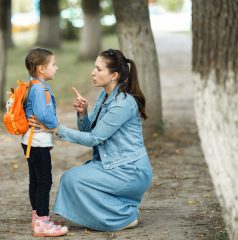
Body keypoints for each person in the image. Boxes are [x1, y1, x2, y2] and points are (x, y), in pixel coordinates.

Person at [29, 48, 153, 231]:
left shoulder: (123, 103)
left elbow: (94, 138)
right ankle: (121, 209)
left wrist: (56, 129)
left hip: (129, 171)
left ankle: (123, 217)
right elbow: (89, 129)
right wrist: (83, 113)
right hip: (111, 164)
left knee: (74, 180)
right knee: (72, 179)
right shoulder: (106, 95)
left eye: (99, 69)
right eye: (94, 67)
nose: (93, 72)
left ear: (114, 75)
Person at [21, 47, 68, 237]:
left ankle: (37, 217)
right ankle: (42, 222)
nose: (56, 68)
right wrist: (56, 123)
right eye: (53, 64)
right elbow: (41, 114)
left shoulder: (33, 85)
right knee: (44, 181)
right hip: (37, 141)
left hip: (30, 140)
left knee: (36, 180)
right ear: (41, 68)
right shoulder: (39, 89)